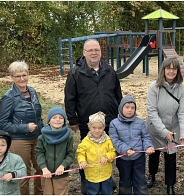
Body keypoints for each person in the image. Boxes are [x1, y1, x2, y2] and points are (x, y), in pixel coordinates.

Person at [64, 38, 122, 194]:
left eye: (96, 50)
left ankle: (106, 178)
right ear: (84, 53)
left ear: (100, 52)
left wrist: (120, 114)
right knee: (88, 152)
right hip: (87, 123)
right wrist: (73, 119)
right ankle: (86, 179)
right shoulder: (76, 72)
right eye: (90, 50)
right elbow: (69, 98)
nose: (94, 53)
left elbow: (118, 94)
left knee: (107, 150)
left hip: (109, 120)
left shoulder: (109, 70)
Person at [0, 61, 43, 195]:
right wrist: (24, 128)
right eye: (18, 76)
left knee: (41, 168)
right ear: (12, 77)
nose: (22, 79)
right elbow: (2, 123)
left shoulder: (33, 91)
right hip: (20, 140)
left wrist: (43, 130)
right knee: (23, 173)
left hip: (38, 137)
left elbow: (38, 116)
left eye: (24, 75)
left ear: (28, 75)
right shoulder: (8, 97)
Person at [146, 57, 184, 195]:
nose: (171, 71)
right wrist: (163, 131)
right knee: (155, 154)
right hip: (155, 128)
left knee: (171, 157)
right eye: (168, 68)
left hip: (173, 128)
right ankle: (152, 175)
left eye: (174, 68)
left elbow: (183, 112)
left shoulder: (181, 89)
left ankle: (170, 185)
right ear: (163, 70)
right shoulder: (154, 87)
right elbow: (151, 112)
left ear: (177, 71)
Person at [109, 94, 155, 195]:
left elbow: (145, 137)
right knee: (125, 181)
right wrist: (125, 149)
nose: (130, 110)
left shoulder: (140, 122)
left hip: (139, 158)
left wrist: (148, 146)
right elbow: (115, 141)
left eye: (132, 107)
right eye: (127, 107)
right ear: (121, 108)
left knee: (140, 180)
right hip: (123, 159)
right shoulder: (114, 124)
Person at [35, 106, 75, 195]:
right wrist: (44, 168)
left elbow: (71, 154)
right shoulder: (42, 137)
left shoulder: (69, 137)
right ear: (49, 121)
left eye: (61, 118)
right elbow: (39, 154)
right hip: (46, 174)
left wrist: (63, 166)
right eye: (54, 117)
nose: (58, 120)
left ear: (64, 121)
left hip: (61, 174)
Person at [76, 112, 116, 195]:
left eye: (100, 128)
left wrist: (107, 156)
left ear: (104, 128)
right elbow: (81, 153)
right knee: (92, 193)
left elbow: (113, 152)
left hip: (106, 174)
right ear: (89, 127)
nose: (97, 130)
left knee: (107, 192)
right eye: (94, 127)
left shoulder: (107, 140)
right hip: (91, 175)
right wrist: (82, 161)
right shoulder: (85, 142)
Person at [0, 130, 26, 195]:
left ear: (8, 145)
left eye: (3, 145)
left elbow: (23, 173)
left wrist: (13, 175)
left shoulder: (16, 159)